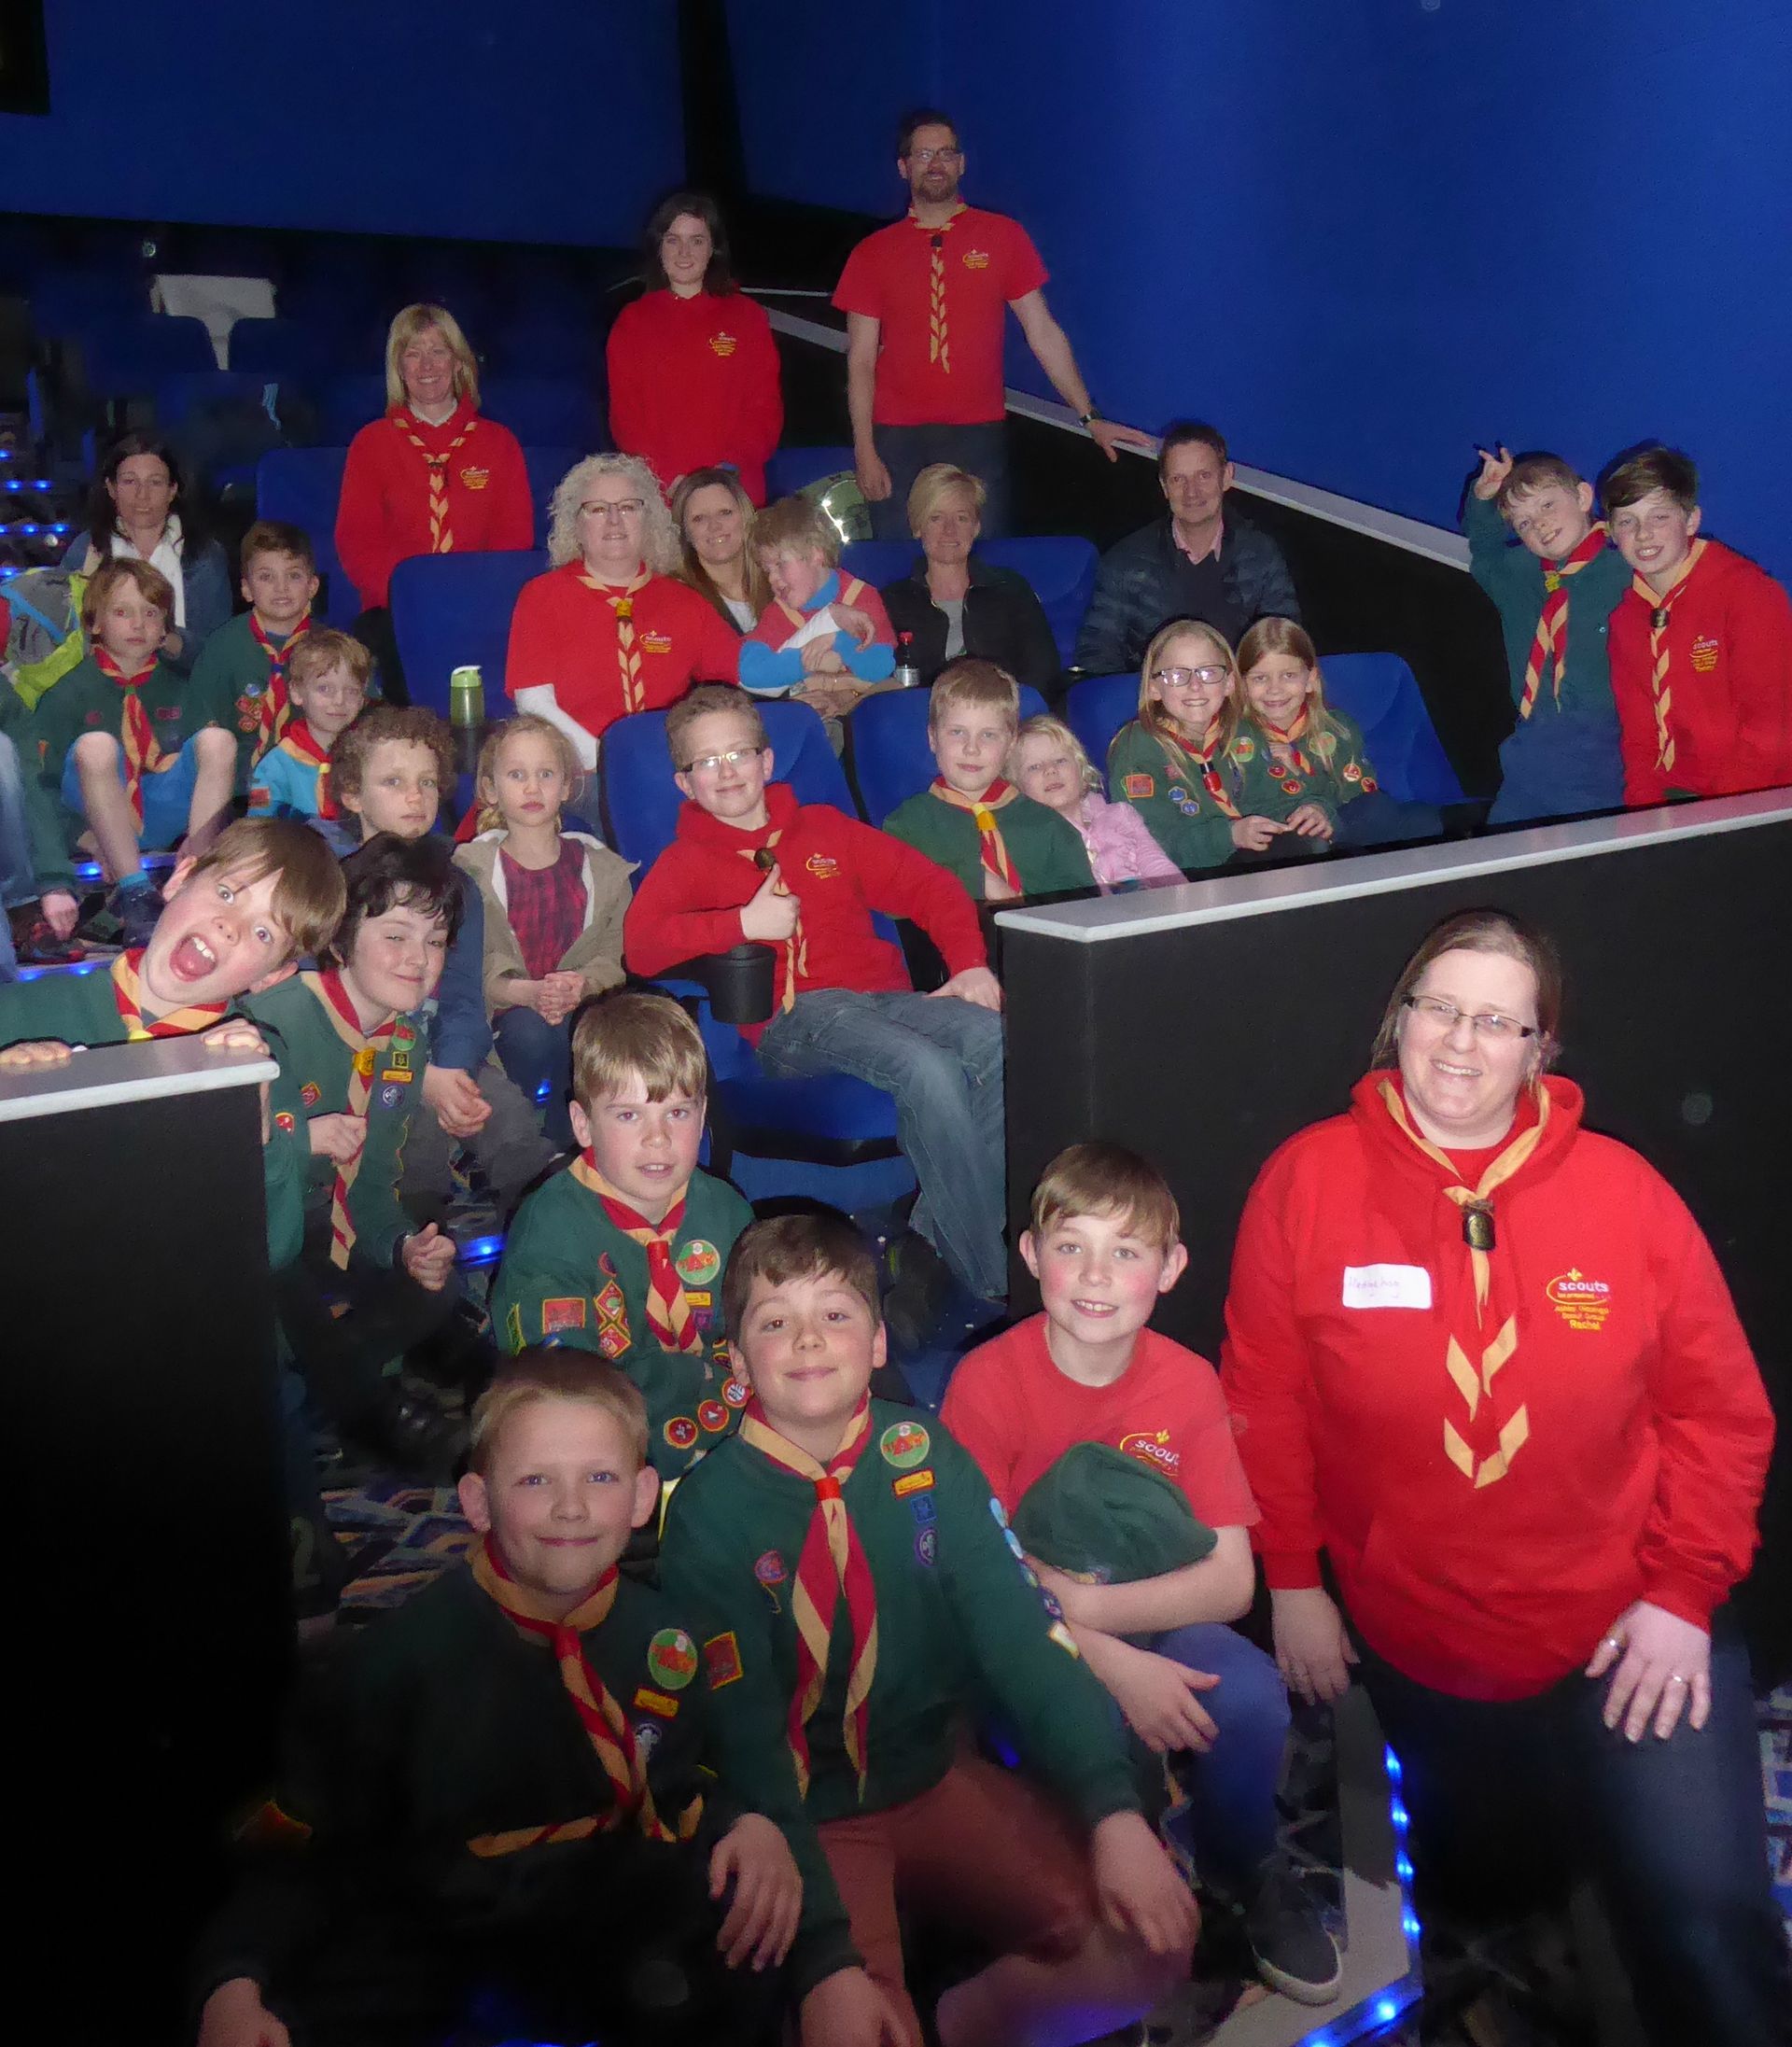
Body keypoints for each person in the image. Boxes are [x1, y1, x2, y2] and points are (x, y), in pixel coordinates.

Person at [1219, 909, 1790, 2047]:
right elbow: (1265, 1402)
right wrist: (1293, 1580)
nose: (1461, 1042)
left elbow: (1720, 1414)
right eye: (1439, 1007)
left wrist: (1681, 1596)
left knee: (1706, 1923)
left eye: (1499, 1019)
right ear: (1399, 1021)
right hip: (1427, 1640)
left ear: (1541, 1050)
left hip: (1630, 1630)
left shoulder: (1626, 1193)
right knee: (1501, 1936)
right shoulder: (1306, 1181)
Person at [660, 1211, 1199, 2047]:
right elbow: (743, 1736)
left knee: (1154, 1943)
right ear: (737, 1362)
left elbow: (1023, 1634)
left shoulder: (925, 1455)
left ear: (879, 1344)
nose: (808, 1339)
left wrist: (1112, 1811)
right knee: (845, 2024)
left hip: (933, 1774)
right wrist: (825, 1960)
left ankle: (963, 2023)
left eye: (836, 1313)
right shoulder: (707, 1513)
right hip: (809, 1812)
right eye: (775, 1322)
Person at [190, 1351, 811, 2047]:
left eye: (599, 1478)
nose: (570, 1506)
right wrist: (234, 1980)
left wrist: (741, 1824)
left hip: (604, 1909)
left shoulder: (667, 1639)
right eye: (536, 1479)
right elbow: (303, 1840)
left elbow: (676, 1781)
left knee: (746, 1935)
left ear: (642, 1496)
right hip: (441, 1922)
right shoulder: (393, 1665)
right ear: (478, 1501)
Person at [942, 1143, 1341, 2006]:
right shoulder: (987, 1383)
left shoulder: (1189, 1383)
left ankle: (1243, 1861)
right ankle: (1114, 1881)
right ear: (1029, 1255)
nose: (1094, 1273)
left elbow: (1232, 1581)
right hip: (1031, 1638)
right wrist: (1108, 1657)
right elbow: (981, 1585)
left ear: (1170, 1268)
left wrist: (1088, 1603)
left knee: (1247, 1693)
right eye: (1071, 1244)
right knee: (1087, 1726)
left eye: (1126, 1251)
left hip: (1128, 1606)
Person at [623, 684, 1008, 1316]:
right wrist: (743, 923)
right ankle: (992, 1283)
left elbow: (932, 887)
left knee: (997, 1041)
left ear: (767, 762)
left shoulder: (827, 829)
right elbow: (641, 947)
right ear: (684, 783)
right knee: (925, 1067)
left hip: (882, 1000)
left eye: (739, 754)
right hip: (794, 1020)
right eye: (706, 762)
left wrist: (968, 964)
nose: (727, 771)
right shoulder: (687, 860)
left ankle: (938, 1240)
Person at [248, 834, 469, 1478]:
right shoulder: (276, 1019)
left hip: (324, 1230)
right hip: (253, 1229)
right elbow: (215, 1167)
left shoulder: (404, 1045)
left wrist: (404, 1247)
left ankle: (322, 1382)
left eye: (435, 942)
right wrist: (299, 1139)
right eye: (397, 935)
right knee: (279, 1270)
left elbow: (370, 1191)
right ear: (342, 937)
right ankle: (373, 1410)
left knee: (436, 1283)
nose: (418, 959)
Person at [833, 107, 1152, 540]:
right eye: (924, 154)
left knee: (983, 567)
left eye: (947, 153)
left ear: (962, 164)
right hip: (896, 438)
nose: (937, 163)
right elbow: (861, 361)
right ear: (903, 167)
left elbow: (1043, 333)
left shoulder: (1003, 237)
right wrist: (865, 449)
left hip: (978, 434)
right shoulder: (871, 253)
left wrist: (1089, 416)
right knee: (899, 568)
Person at [491, 991, 753, 1476]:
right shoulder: (549, 1232)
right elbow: (565, 1385)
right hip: (610, 1444)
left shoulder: (726, 1210)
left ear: (703, 1115)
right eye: (629, 1115)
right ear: (583, 1124)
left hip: (730, 1427)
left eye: (678, 1112)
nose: (658, 1139)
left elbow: (755, 1322)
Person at [327, 707, 559, 1224]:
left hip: (442, 1048)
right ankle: (415, 1242)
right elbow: (328, 1006)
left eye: (428, 783)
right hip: (362, 1056)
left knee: (503, 1112)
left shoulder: (457, 884)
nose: (416, 797)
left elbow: (462, 1000)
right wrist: (422, 1077)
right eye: (393, 782)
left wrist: (452, 1070)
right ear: (352, 795)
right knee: (414, 1130)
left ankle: (552, 1221)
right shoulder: (331, 884)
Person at [0, 815, 342, 1060]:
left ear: (272, 976)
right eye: (227, 894)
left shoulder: (257, 1057)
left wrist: (255, 1107)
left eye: (263, 932)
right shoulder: (22, 1010)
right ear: (181, 879)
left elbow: (281, 1162)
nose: (230, 925)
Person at [29, 558, 240, 945]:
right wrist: (81, 837)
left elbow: (213, 771)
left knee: (219, 741)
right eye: (122, 612)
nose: (138, 624)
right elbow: (39, 787)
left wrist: (198, 838)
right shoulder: (66, 695)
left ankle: (196, 873)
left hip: (161, 811)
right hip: (94, 818)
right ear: (95, 623)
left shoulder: (181, 689)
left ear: (165, 629)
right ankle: (136, 892)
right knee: (96, 746)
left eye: (151, 613)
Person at [334, 303, 533, 701]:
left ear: (458, 362)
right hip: (397, 612)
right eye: (412, 353)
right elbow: (359, 542)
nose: (426, 365)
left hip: (481, 608)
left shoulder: (498, 443)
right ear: (399, 367)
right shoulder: (372, 443)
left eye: (438, 351)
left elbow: (513, 540)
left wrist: (467, 602)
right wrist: (415, 600)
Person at [453, 715, 633, 1144]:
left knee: (581, 1032)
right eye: (517, 775)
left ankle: (568, 1141)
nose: (532, 789)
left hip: (578, 1007)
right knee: (533, 1034)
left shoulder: (604, 870)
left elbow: (614, 958)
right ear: (491, 789)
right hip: (503, 1016)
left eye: (546, 775)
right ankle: (518, 1141)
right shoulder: (470, 870)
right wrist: (526, 993)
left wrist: (582, 984)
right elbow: (466, 966)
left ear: (567, 785)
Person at [505, 454, 741, 769]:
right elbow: (534, 703)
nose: (614, 520)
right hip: (580, 767)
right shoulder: (542, 596)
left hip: (670, 763)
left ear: (650, 519)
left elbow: (746, 670)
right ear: (575, 524)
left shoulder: (683, 600)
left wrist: (813, 672)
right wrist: (608, 762)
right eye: (598, 509)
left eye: (629, 507)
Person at [1602, 444, 1792, 807]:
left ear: (1691, 520)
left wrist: (1718, 816)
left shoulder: (1748, 594)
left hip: (1759, 798)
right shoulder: (1625, 620)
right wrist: (1643, 812)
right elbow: (1639, 735)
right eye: (1627, 521)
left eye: (1660, 517)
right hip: (1675, 798)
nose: (1643, 534)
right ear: (1611, 531)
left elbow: (1768, 731)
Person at [1462, 446, 1629, 824]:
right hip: (1529, 757)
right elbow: (1485, 552)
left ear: (1583, 497)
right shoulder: (1520, 575)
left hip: (1602, 759)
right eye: (1521, 523)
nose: (1537, 524)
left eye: (1548, 505)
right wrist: (1483, 498)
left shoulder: (1625, 573)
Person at [1075, 423, 1299, 677]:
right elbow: (1097, 655)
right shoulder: (1125, 561)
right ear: (1164, 486)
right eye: (1178, 479)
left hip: (1239, 701)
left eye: (1203, 476)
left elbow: (1285, 645)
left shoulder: (1261, 554)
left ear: (1226, 477)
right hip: (1157, 704)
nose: (1191, 492)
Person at [607, 192, 783, 507]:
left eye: (697, 240)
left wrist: (729, 470)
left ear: (713, 248)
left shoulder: (747, 316)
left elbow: (765, 408)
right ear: (658, 246)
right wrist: (668, 477)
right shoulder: (632, 322)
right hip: (660, 496)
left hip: (734, 491)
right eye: (673, 240)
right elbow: (626, 418)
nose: (684, 252)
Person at [884, 658, 1094, 900]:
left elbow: (1083, 906)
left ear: (1010, 744)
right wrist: (977, 880)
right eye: (957, 732)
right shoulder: (908, 825)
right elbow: (890, 898)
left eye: (988, 735)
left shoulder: (1048, 825)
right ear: (933, 738)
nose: (971, 749)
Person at [1235, 617, 1442, 850]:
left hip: (1342, 820)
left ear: (1310, 680)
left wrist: (1305, 780)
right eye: (1260, 678)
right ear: (1241, 685)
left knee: (1416, 817)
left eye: (1288, 675)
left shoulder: (1338, 728)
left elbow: (1359, 792)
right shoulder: (1237, 738)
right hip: (1282, 838)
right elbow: (1247, 807)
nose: (1274, 689)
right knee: (1316, 844)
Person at [1105, 620, 1285, 874]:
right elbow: (1153, 843)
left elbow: (1271, 798)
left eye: (1208, 672)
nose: (1195, 686)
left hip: (1251, 859)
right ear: (1153, 688)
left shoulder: (1242, 731)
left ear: (1229, 683)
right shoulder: (1136, 747)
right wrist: (1229, 836)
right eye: (1178, 675)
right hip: (1186, 876)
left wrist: (1309, 809)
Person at [878, 464, 1059, 695]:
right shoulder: (892, 602)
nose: (949, 530)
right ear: (917, 527)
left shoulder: (1011, 589)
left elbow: (1043, 674)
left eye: (961, 518)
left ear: (976, 527)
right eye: (936, 518)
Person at [61, 431, 231, 676]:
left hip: (186, 689)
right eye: (130, 482)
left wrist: (165, 638)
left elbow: (218, 651)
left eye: (155, 482)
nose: (142, 495)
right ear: (111, 488)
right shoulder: (85, 550)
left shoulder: (205, 556)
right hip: (103, 688)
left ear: (173, 490)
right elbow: (65, 636)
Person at [188, 520, 319, 792]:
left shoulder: (332, 649)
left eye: (294, 575)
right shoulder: (223, 646)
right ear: (246, 589)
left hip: (313, 785)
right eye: (266, 576)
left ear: (313, 585)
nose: (281, 588)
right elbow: (199, 719)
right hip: (237, 787)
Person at [738, 496, 895, 719]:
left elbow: (879, 667)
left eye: (780, 564)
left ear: (816, 554)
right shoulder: (780, 611)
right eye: (767, 570)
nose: (772, 578)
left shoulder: (859, 596)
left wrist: (833, 639)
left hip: (860, 716)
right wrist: (810, 659)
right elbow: (748, 670)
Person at [1007, 714, 1181, 890]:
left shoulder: (1121, 814)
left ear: (1082, 771)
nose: (1050, 770)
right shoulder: (1033, 839)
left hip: (1150, 909)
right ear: (1015, 786)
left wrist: (1182, 900)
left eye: (1060, 761)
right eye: (1034, 767)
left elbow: (1157, 866)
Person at [247, 632, 370, 821]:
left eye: (351, 691)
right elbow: (257, 829)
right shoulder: (275, 766)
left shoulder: (370, 757)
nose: (339, 700)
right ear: (296, 693)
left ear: (362, 699)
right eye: (324, 688)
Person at [673, 467, 770, 633]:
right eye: (699, 518)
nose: (714, 525)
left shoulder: (780, 581)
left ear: (746, 517)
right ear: (685, 532)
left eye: (725, 512)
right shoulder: (676, 599)